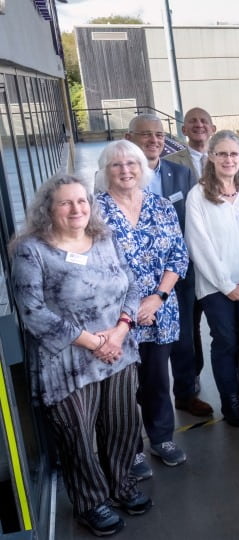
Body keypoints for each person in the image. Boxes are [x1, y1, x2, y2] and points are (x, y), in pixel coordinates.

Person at [11, 174, 151, 536]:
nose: (77, 209)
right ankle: (91, 503)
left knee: (122, 425)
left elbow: (132, 285)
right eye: (66, 202)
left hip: (118, 351)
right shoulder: (32, 250)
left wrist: (119, 331)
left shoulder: (105, 239)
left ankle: (121, 487)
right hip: (68, 363)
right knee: (78, 437)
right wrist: (93, 341)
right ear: (49, 209)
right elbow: (33, 313)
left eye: (82, 201)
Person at [96, 140, 190, 481]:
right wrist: (132, 308)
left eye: (131, 164)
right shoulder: (94, 211)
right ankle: (130, 448)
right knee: (121, 387)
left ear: (143, 169)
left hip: (159, 310)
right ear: (105, 172)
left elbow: (178, 256)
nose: (125, 171)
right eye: (116, 165)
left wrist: (157, 298)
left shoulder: (161, 206)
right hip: (115, 317)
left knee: (156, 380)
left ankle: (162, 438)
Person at [185, 130, 239, 427]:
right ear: (211, 157)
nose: (229, 159)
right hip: (215, 287)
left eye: (234, 153)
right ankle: (231, 402)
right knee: (226, 342)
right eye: (222, 153)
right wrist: (226, 285)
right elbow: (199, 246)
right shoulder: (198, 196)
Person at [128, 113, 213, 419]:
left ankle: (186, 393)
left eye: (159, 135)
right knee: (142, 337)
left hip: (179, 269)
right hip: (137, 277)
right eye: (146, 135)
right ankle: (144, 398)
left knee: (185, 334)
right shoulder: (121, 176)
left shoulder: (180, 173)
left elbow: (193, 221)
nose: (153, 141)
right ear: (130, 139)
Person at [163, 106, 215, 179]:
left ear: (213, 130)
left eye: (204, 121)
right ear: (184, 130)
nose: (199, 125)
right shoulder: (168, 163)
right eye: (193, 121)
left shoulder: (226, 159)